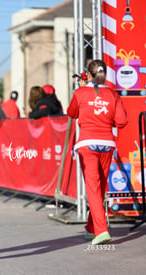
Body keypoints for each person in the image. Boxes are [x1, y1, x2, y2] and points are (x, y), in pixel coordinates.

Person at [67, 59, 128, 245]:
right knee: (99, 187)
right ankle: (91, 228)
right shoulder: (112, 94)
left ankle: (101, 230)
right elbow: (122, 121)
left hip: (87, 144)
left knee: (94, 187)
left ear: (88, 74)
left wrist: (82, 88)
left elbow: (71, 113)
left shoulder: (80, 92)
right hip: (106, 143)